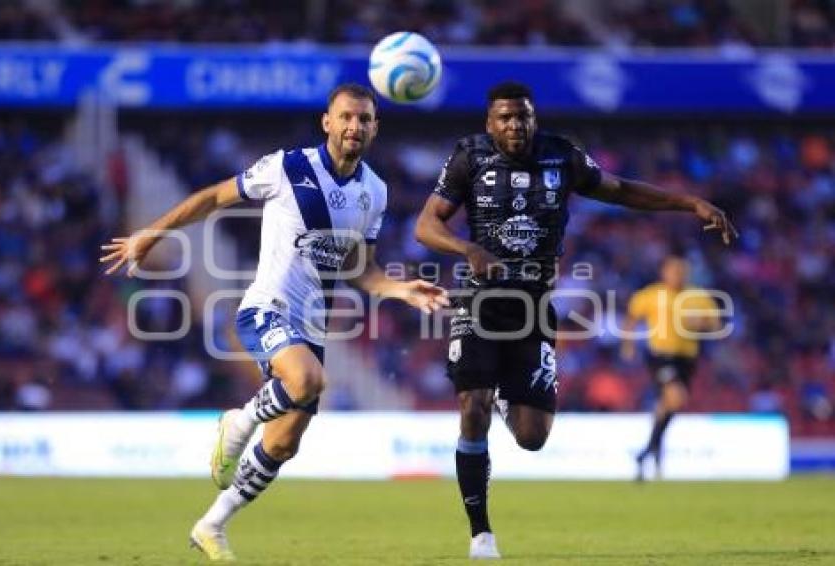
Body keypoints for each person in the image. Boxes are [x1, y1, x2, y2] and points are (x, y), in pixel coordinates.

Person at [100, 83, 448, 561]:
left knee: (283, 444)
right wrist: (153, 233)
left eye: (364, 120)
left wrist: (400, 288)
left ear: (375, 128)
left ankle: (211, 525)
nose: (355, 126)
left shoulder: (374, 191)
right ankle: (238, 421)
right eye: (346, 117)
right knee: (307, 380)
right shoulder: (288, 167)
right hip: (267, 307)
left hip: (313, 325)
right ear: (327, 121)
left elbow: (357, 268)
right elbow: (214, 197)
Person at [414, 81, 737, 559]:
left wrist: (689, 203)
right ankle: (481, 532)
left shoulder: (561, 157)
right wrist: (468, 249)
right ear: (490, 122)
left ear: (534, 119)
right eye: (504, 118)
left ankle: (505, 393)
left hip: (535, 309)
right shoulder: (469, 158)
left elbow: (622, 190)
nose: (514, 125)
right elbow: (426, 224)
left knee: (531, 438)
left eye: (522, 116)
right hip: (479, 300)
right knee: (472, 407)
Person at [621, 254, 721, 481]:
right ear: (663, 272)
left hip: (687, 358)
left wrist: (701, 323)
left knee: (668, 407)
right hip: (660, 355)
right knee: (675, 397)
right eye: (673, 270)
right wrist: (628, 345)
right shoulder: (651, 294)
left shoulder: (697, 296)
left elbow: (716, 324)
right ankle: (648, 452)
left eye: (681, 271)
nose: (677, 275)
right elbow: (631, 318)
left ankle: (650, 452)